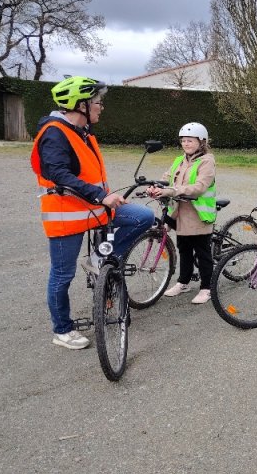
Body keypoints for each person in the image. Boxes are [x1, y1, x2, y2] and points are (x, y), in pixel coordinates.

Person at [31, 76, 154, 350]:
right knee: (62, 275)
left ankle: (99, 259)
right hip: (67, 215)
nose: (101, 107)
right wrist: (101, 196)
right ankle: (62, 330)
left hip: (93, 209)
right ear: (81, 105)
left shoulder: (81, 131)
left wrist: (105, 196)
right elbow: (58, 173)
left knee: (143, 217)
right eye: (97, 102)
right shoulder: (54, 133)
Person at [147, 122, 217, 304]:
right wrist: (155, 187)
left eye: (190, 140)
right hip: (180, 212)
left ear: (201, 142)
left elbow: (200, 187)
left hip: (198, 214)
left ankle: (206, 288)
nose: (186, 144)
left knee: (202, 253)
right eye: (183, 141)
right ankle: (183, 282)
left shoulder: (207, 161)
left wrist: (171, 191)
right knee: (184, 249)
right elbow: (167, 178)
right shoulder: (179, 160)